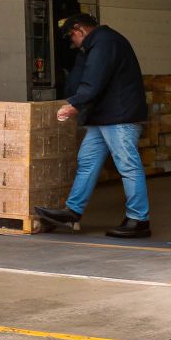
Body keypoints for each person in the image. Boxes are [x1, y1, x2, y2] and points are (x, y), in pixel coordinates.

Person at [35, 13, 151, 238]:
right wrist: (71, 98)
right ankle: (73, 211)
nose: (73, 43)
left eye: (72, 37)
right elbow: (83, 77)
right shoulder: (95, 45)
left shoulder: (105, 42)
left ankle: (139, 219)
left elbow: (95, 78)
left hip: (120, 117)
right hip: (104, 117)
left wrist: (75, 104)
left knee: (128, 166)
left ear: (79, 29)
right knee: (87, 161)